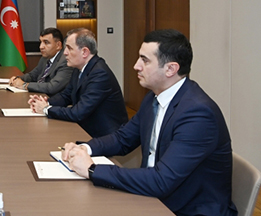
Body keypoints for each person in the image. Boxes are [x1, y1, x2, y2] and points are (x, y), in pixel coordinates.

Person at [61, 29, 237, 216]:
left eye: (144, 60)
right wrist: (84, 149)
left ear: (170, 69)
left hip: (185, 209)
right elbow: (123, 139)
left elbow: (162, 180)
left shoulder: (198, 114)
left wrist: (92, 169)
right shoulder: (153, 98)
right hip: (153, 197)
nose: (136, 66)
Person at [28, 28, 127, 138]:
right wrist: (44, 102)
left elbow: (78, 112)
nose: (65, 53)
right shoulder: (78, 68)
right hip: (87, 128)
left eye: (69, 48)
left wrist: (46, 109)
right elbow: (66, 96)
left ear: (84, 52)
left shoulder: (100, 74)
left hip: (106, 137)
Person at [9, 27, 74, 95]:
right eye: (41, 42)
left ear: (58, 45)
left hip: (51, 98)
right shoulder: (45, 58)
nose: (41, 47)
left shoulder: (66, 61)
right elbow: (32, 75)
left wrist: (24, 85)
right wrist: (17, 79)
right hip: (38, 95)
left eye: (46, 42)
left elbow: (52, 87)